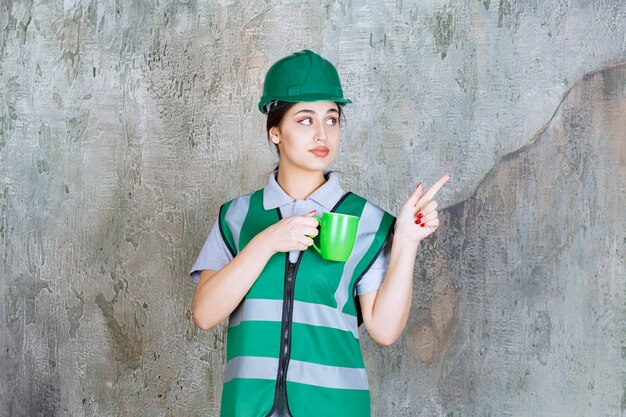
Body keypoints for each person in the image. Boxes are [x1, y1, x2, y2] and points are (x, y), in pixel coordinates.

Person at [190, 49, 450, 417]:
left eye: (332, 119)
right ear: (275, 131)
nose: (321, 133)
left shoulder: (369, 222)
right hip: (247, 407)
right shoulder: (236, 218)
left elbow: (385, 330)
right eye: (305, 120)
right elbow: (204, 314)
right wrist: (267, 242)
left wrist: (406, 240)